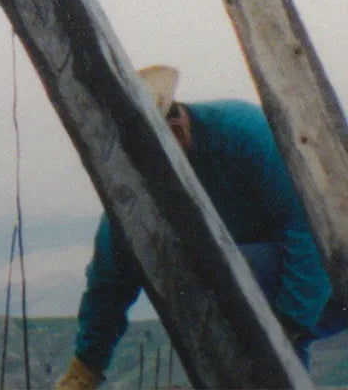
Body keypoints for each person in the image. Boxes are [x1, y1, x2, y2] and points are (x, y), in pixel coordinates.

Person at [55, 65, 345, 389]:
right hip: (273, 288)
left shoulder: (246, 134)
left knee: (237, 276)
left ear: (176, 128)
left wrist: (286, 328)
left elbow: (307, 233)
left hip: (328, 275)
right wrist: (85, 369)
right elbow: (109, 282)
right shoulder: (140, 186)